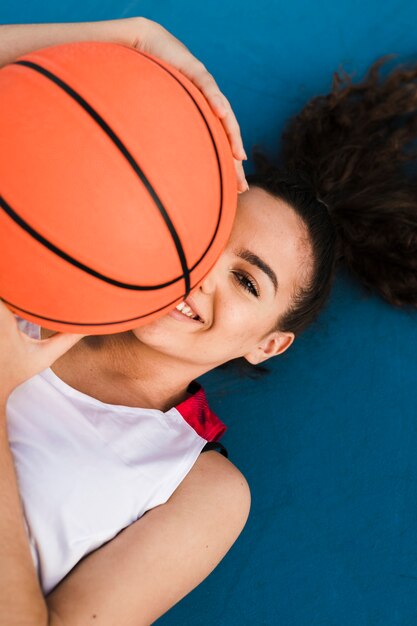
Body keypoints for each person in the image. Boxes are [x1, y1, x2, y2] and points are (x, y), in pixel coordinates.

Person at [1, 17, 417, 626]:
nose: (198, 275)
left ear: (270, 345)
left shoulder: (198, 489)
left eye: (247, 281)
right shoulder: (22, 287)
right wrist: (129, 38)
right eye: (205, 239)